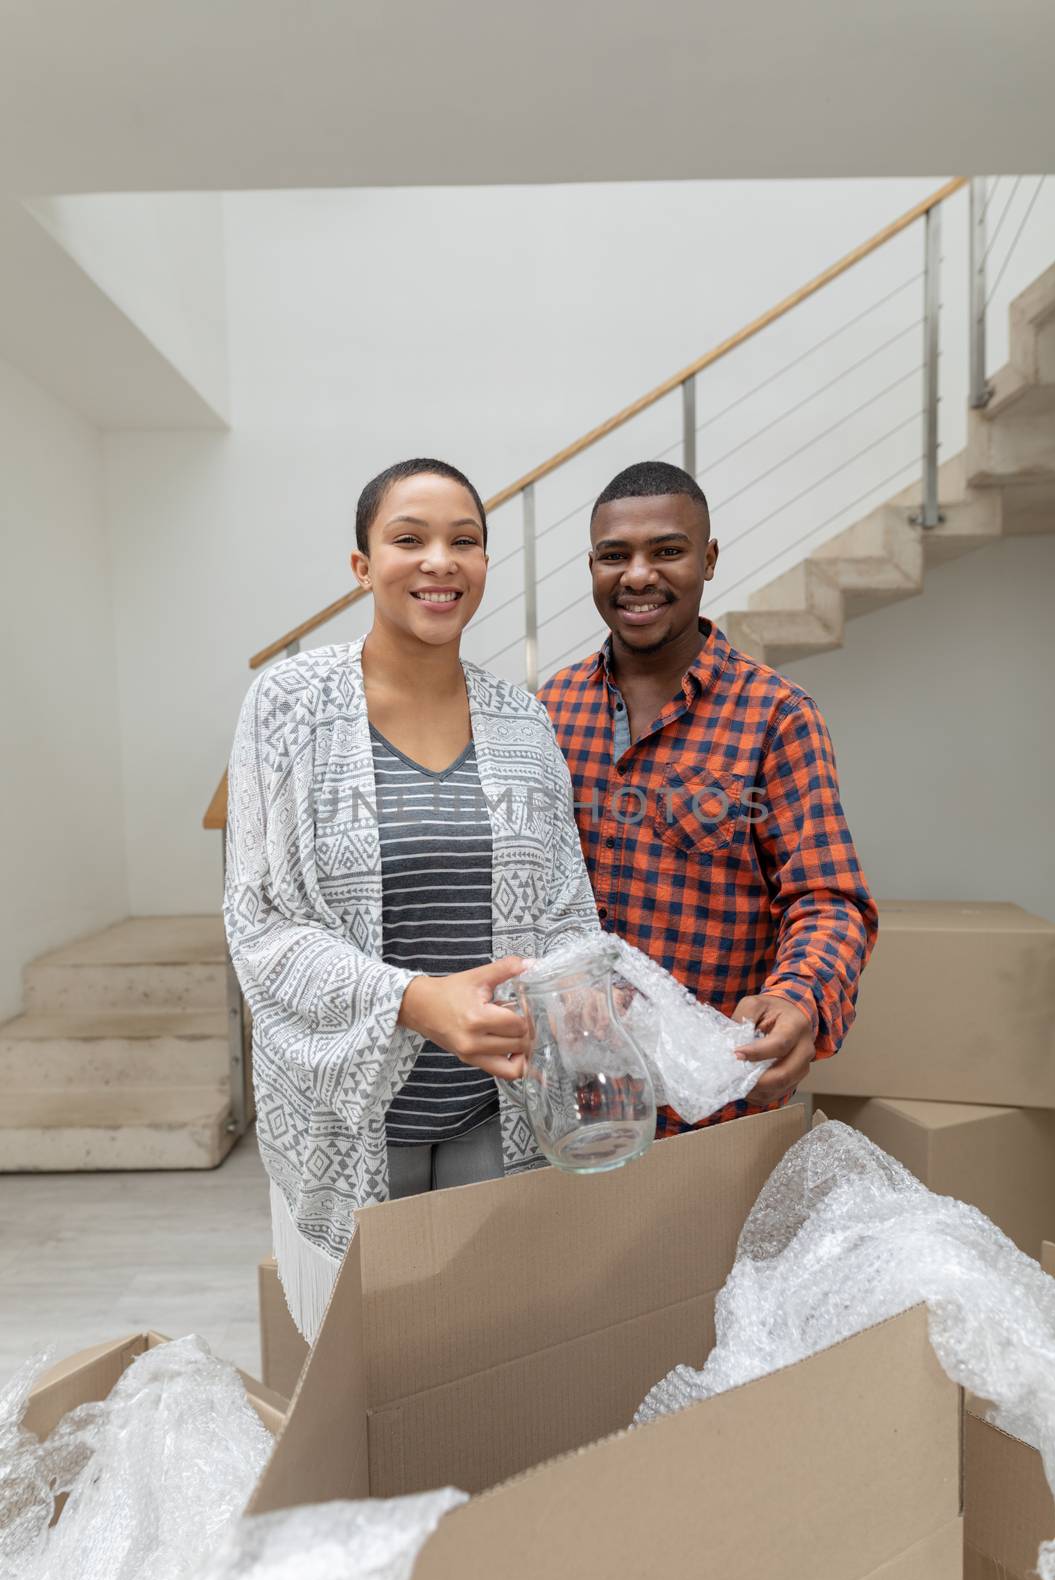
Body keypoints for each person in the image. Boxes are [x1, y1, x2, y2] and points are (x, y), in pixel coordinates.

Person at [223, 457, 598, 1340]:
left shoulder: (522, 719)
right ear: (362, 565)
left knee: (470, 1354)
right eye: (409, 539)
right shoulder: (287, 706)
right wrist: (412, 1001)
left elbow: (563, 900)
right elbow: (260, 919)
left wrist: (586, 986)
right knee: (363, 1367)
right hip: (346, 1116)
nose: (440, 561)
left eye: (463, 541)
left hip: (492, 1107)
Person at [538, 460, 878, 1134]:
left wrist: (799, 996)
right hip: (571, 1098)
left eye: (666, 551)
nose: (637, 575)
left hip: (711, 1108)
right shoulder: (547, 709)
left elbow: (827, 898)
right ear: (592, 566)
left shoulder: (776, 717)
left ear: (709, 558)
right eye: (615, 556)